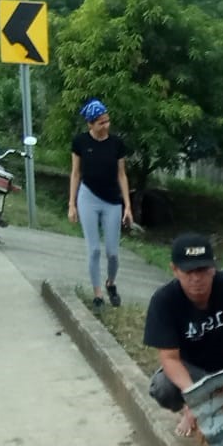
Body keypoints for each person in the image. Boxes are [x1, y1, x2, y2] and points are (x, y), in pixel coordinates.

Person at [143, 233, 223, 437]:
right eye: (188, 271)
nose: (196, 278)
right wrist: (194, 399)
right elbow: (169, 358)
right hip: (194, 374)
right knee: (163, 387)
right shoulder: (163, 301)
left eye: (202, 270)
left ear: (213, 268)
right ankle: (189, 410)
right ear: (175, 270)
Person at [68, 98, 133, 308]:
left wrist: (127, 206)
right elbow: (75, 173)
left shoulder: (117, 144)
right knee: (94, 249)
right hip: (87, 197)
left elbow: (122, 175)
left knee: (112, 253)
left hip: (112, 201)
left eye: (107, 121)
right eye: (101, 123)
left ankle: (110, 283)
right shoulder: (80, 142)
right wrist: (72, 204)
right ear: (90, 124)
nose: (105, 126)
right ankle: (98, 295)